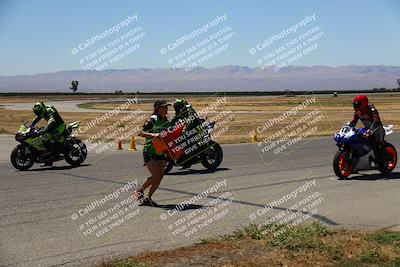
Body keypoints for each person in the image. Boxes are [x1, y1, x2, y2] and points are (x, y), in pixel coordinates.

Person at [133, 100, 171, 206]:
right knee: (155, 176)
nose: (167, 109)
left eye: (167, 107)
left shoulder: (166, 120)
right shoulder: (153, 119)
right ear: (158, 108)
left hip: (161, 151)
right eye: (164, 107)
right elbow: (141, 133)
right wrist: (154, 135)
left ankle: (149, 198)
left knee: (160, 176)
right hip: (150, 151)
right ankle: (140, 191)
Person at [347, 95, 388, 167]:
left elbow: (376, 120)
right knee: (355, 139)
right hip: (367, 129)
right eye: (355, 104)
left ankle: (384, 162)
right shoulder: (358, 112)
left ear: (364, 103)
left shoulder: (371, 109)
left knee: (377, 144)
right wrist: (347, 128)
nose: (356, 106)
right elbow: (353, 122)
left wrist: (370, 130)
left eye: (357, 104)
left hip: (377, 128)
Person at [31, 101, 66, 166]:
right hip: (52, 126)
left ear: (42, 109)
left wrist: (45, 129)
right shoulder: (42, 112)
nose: (38, 114)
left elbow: (51, 120)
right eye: (36, 113)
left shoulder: (49, 110)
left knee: (52, 136)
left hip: (60, 126)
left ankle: (57, 154)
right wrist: (31, 125)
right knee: (43, 139)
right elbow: (37, 118)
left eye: (38, 112)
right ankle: (48, 160)